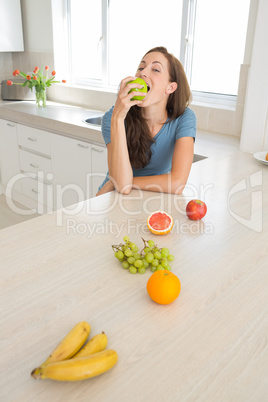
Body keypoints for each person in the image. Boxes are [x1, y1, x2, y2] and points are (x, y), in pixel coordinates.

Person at [96, 46, 196, 196]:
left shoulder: (184, 118)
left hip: (151, 195)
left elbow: (177, 184)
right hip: (114, 196)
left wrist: (127, 181)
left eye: (155, 69)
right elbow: (122, 188)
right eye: (141, 67)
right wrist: (118, 116)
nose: (142, 72)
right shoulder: (113, 117)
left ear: (170, 87)